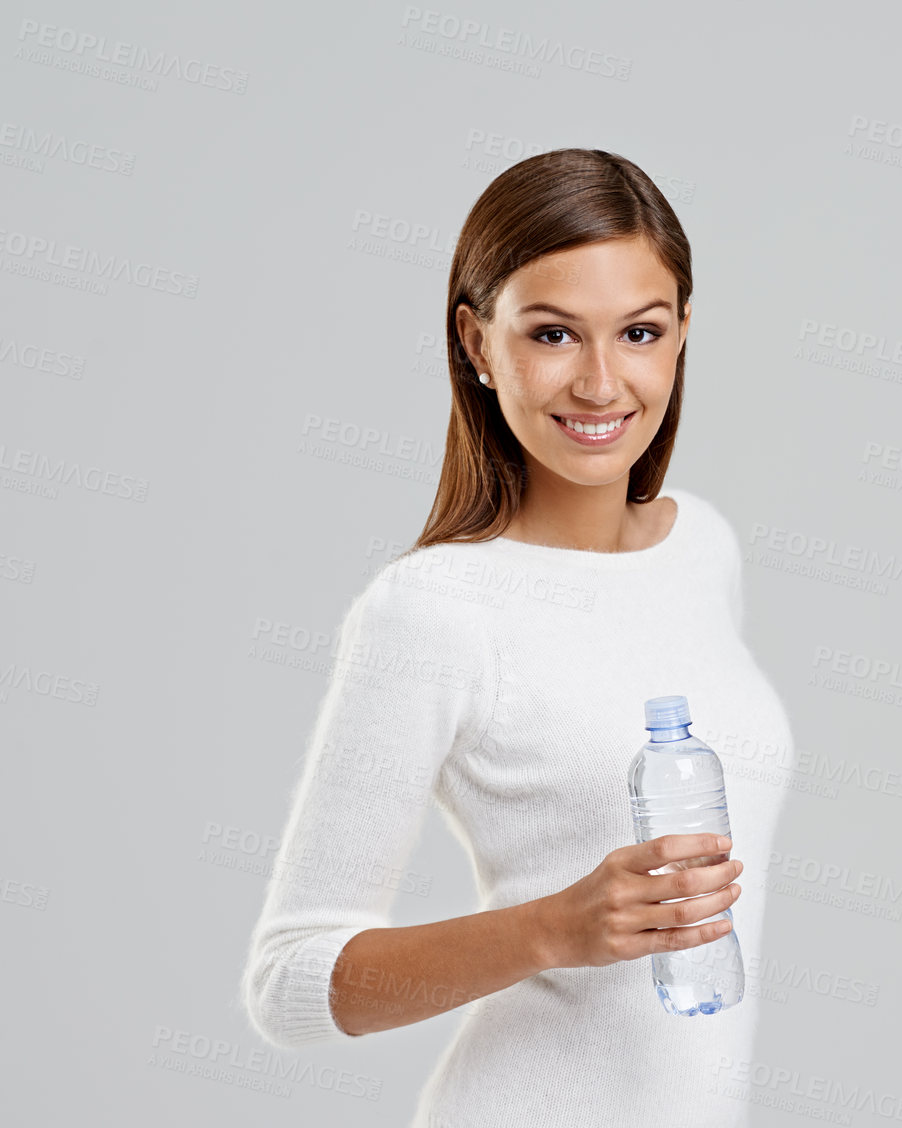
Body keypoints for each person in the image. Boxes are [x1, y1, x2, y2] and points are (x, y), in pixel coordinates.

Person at [240, 148, 793, 1127]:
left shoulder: (703, 546)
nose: (599, 381)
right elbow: (289, 985)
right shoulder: (435, 611)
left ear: (681, 337)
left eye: (639, 331)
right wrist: (552, 930)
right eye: (550, 334)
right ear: (477, 344)